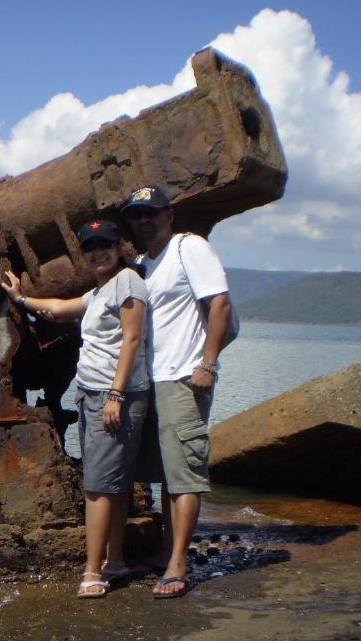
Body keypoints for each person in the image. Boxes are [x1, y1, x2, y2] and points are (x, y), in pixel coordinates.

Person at [0, 219, 148, 599]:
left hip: (113, 396)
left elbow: (133, 337)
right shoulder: (100, 292)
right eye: (90, 246)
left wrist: (115, 395)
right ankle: (114, 560)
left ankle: (91, 572)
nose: (98, 252)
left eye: (105, 244)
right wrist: (20, 299)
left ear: (118, 247)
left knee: (97, 486)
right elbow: (58, 308)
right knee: (112, 484)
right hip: (93, 394)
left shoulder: (128, 281)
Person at [121, 186, 233, 599]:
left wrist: (207, 364)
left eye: (151, 213)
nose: (143, 221)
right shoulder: (143, 264)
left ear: (169, 215)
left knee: (184, 472)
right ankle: (169, 551)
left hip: (183, 377)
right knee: (169, 472)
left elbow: (219, 304)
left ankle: (179, 565)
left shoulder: (191, 248)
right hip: (151, 380)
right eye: (136, 216)